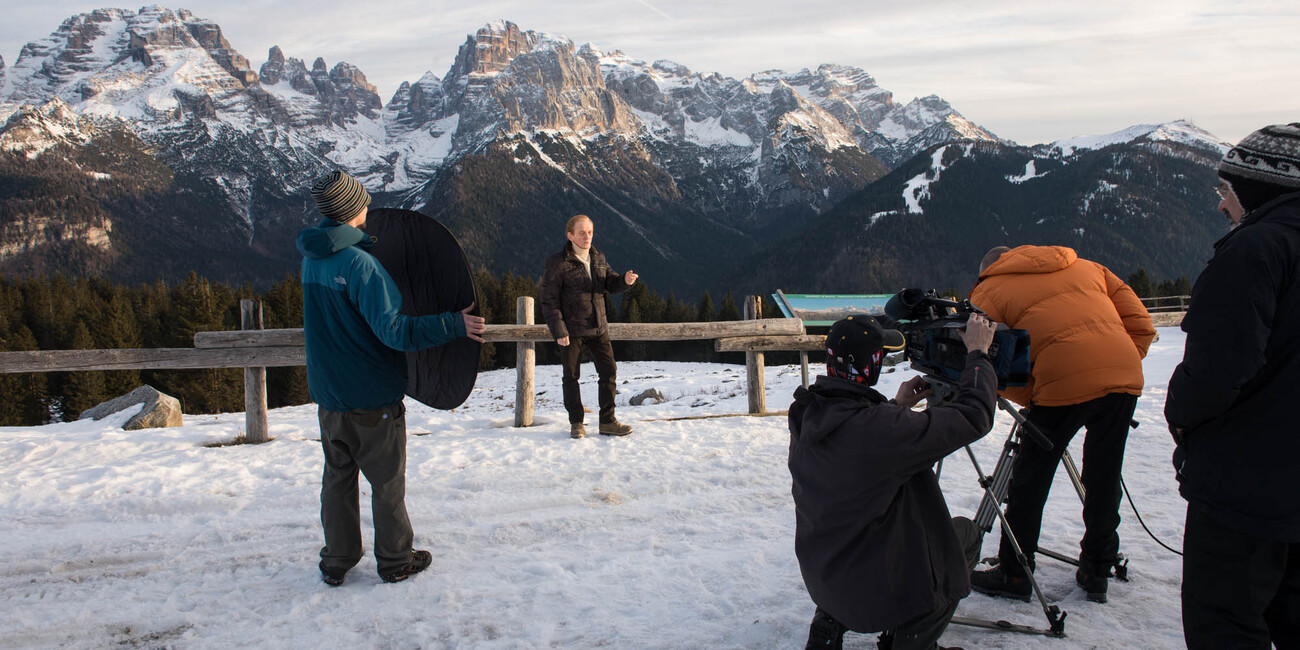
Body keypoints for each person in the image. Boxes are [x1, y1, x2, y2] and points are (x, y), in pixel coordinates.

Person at [297, 170, 487, 586]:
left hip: (329, 396)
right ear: (352, 209)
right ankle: (396, 559)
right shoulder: (360, 265)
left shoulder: (312, 260)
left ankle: (337, 559)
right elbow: (394, 332)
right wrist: (453, 324)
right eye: (362, 200)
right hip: (371, 396)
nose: (368, 204)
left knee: (337, 481)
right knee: (386, 484)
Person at [1165, 123, 1300, 649]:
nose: (1222, 205)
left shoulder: (1255, 248)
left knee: (1224, 623)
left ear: (1261, 190)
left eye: (1227, 190)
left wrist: (1181, 417)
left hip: (1247, 484)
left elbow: (1217, 370)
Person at [789, 312, 999, 650]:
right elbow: (975, 416)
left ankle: (830, 617)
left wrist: (894, 406)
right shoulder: (882, 431)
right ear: (871, 367)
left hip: (825, 575)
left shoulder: (808, 413)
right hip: (870, 590)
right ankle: (911, 643)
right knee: (963, 538)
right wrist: (978, 354)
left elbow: (859, 444)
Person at [967, 244, 1155, 603]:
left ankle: (1015, 572)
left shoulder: (988, 289)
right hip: (1124, 375)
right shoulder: (1088, 266)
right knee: (1104, 474)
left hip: (1060, 381)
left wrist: (1035, 394)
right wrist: (1116, 364)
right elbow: (1142, 325)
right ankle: (1097, 569)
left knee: (1031, 479)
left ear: (987, 270)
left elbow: (987, 361)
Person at [539, 214, 638, 439]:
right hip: (571, 330)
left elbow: (609, 282)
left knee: (609, 371)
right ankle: (576, 423)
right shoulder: (557, 263)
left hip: (598, 326)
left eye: (590, 232)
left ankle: (608, 421)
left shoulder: (598, 257)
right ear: (570, 235)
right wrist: (559, 330)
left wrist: (624, 281)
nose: (587, 237)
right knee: (571, 376)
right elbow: (549, 300)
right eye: (582, 233)